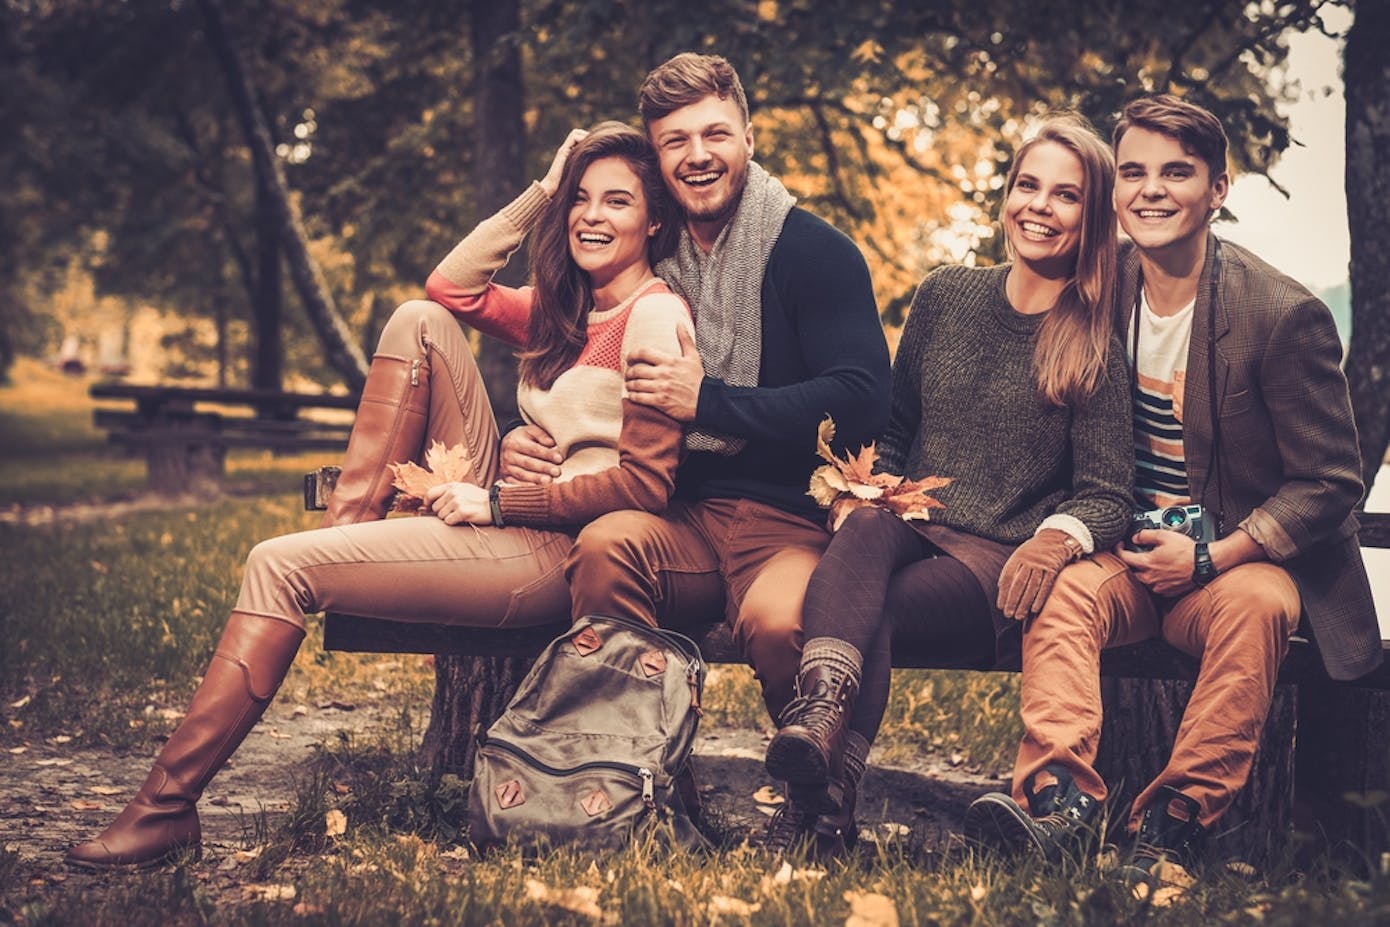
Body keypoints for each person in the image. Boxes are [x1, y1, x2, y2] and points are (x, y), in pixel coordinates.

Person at [66, 121, 694, 869]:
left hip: (555, 545)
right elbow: (452, 287)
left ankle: (164, 809)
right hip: (516, 501)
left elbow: (645, 486)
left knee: (277, 564)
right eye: (581, 199)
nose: (592, 215)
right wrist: (542, 190)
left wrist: (500, 502)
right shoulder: (561, 313)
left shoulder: (653, 314)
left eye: (616, 201)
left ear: (654, 220)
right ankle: (349, 538)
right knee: (420, 320)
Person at [964, 95, 1381, 888]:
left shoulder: (1279, 314)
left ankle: (1173, 825)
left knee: (1261, 605)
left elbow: (1330, 483)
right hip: (1123, 552)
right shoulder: (1097, 286)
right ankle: (1059, 809)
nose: (1151, 190)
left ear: (1217, 189)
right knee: (1060, 594)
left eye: (1177, 173)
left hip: (1231, 562)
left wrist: (1211, 554)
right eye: (1133, 172)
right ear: (1115, 189)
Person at [498, 52, 892, 850]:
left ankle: (821, 813)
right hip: (675, 512)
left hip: (786, 519)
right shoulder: (650, 255)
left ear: (750, 135)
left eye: (715, 132)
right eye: (675, 141)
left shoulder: (812, 251)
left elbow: (861, 399)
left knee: (786, 624)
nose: (698, 153)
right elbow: (571, 368)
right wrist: (526, 437)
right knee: (607, 549)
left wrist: (707, 401)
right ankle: (640, 791)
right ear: (656, 153)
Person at [761, 114, 1135, 854]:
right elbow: (896, 427)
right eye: (1028, 185)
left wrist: (1055, 540)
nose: (1040, 206)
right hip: (907, 523)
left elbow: (1109, 491)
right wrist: (867, 490)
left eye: (1065, 196)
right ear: (1006, 196)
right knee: (865, 529)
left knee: (873, 612)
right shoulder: (946, 296)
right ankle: (818, 729)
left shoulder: (1092, 342)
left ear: (1091, 219)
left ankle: (823, 803)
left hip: (992, 562)